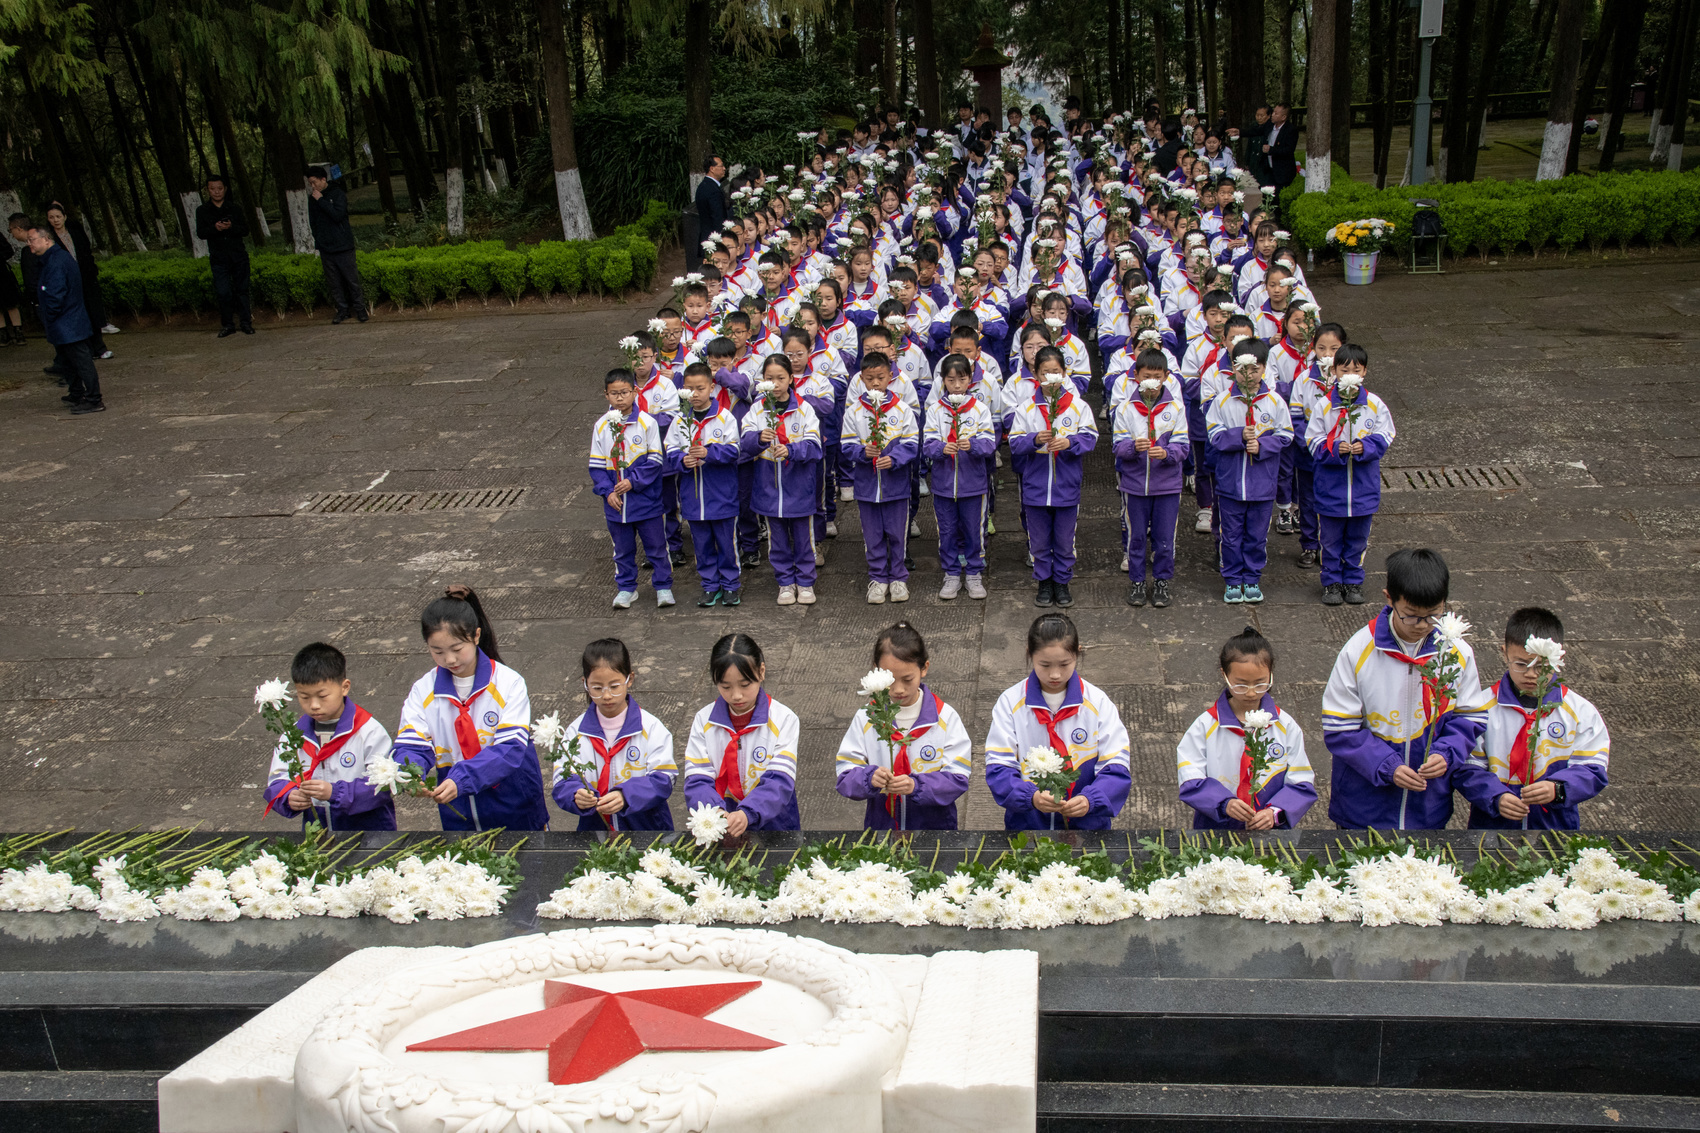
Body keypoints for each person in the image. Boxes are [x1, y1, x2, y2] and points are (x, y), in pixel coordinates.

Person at [1321, 549, 1490, 830]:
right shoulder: (1359, 651)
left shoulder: (1458, 653)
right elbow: (1340, 728)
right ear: (1389, 598)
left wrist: (1446, 753)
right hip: (1364, 806)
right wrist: (1387, 765)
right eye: (1411, 616)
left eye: (1433, 616)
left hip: (1428, 806)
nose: (1422, 626)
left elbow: (1469, 717)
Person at [393, 586, 549, 831]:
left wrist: (462, 779)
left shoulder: (508, 683)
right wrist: (411, 772)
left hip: (516, 809)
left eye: (457, 649)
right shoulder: (423, 691)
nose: (449, 659)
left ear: (476, 636)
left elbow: (510, 749)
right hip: (459, 815)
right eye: (437, 651)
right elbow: (412, 743)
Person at [1456, 608, 1611, 830]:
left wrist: (1558, 789)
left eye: (1541, 666)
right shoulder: (1480, 708)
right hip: (1492, 828)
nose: (1531, 674)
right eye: (1521, 664)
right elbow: (1466, 766)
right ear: (1504, 653)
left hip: (1555, 828)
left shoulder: (1580, 712)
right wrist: (1495, 796)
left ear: (1559, 658)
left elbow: (1593, 768)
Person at [985, 613, 1132, 831]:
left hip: (1088, 825)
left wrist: (1091, 799)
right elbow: (999, 766)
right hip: (1028, 825)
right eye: (1044, 665)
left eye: (1064, 664)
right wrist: (1031, 797)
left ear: (1077, 653)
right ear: (1029, 654)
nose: (1055, 674)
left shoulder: (1097, 703)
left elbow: (1116, 764)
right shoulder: (1010, 703)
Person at [835, 623, 973, 830]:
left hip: (934, 830)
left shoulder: (945, 717)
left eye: (908, 679)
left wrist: (917, 786)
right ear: (876, 670)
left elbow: (957, 777)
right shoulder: (867, 717)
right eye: (890, 680)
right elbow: (845, 774)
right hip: (882, 828)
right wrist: (868, 778)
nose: (898, 689)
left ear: (924, 668)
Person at [1176, 626, 1316, 830]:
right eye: (1241, 685)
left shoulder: (1285, 726)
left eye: (1260, 684)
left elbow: (1301, 781)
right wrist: (1224, 803)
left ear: (1270, 675)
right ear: (1224, 674)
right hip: (1216, 829)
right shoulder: (1205, 726)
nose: (1251, 693)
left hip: (1269, 831)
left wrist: (1275, 812)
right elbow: (1190, 777)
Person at [261, 641, 396, 831]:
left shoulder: (369, 732)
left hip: (369, 830)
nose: (314, 705)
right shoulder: (292, 735)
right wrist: (288, 796)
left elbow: (383, 786)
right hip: (317, 830)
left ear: (344, 687)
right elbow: (278, 778)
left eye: (322, 696)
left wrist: (335, 793)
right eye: (304, 697)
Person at [551, 638, 677, 831]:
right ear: (585, 684)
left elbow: (664, 778)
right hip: (594, 830)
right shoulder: (575, 732)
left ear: (630, 679)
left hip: (647, 829)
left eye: (614, 686)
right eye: (597, 688)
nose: (607, 695)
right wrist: (575, 794)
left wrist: (626, 796)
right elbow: (562, 778)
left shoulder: (651, 728)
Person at [683, 633, 801, 832]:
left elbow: (780, 780)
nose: (736, 695)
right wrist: (713, 812)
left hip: (774, 822)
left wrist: (748, 812)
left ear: (761, 672)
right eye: (725, 686)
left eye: (745, 685)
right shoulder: (704, 721)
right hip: (721, 822)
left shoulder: (784, 719)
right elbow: (697, 777)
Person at [1307, 344, 1396, 606]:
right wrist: (1335, 449)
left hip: (1363, 489)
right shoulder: (1324, 405)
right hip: (1330, 490)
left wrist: (1364, 447)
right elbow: (1312, 440)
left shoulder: (1374, 404)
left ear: (1364, 372)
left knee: (1358, 540)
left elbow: (1386, 434)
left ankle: (1353, 581)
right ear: (1334, 371)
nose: (1350, 375)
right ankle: (1331, 582)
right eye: (1344, 370)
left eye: (1356, 370)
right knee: (1330, 540)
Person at [1010, 345, 1098, 609]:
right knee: (1038, 541)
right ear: (1036, 374)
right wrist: (1034, 439)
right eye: (1045, 373)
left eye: (1056, 372)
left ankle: (1062, 581)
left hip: (1066, 486)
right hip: (1035, 487)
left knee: (1064, 540)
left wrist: (1070, 443)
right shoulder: (1026, 408)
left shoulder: (1078, 406)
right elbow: (1014, 442)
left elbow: (1091, 437)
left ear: (1064, 373)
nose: (1051, 379)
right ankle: (1043, 581)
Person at [1209, 339, 1290, 604]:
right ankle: (1232, 579)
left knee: (1256, 536)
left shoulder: (1275, 401)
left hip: (1263, 485)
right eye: (1244, 369)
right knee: (1231, 536)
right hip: (1230, 484)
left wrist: (1262, 446)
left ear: (1264, 369)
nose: (1250, 374)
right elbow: (1214, 435)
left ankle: (1252, 577)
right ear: (1234, 368)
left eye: (1256, 369)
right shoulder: (1223, 401)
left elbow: (1286, 435)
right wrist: (1239, 437)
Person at [740, 353, 823, 605]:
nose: (775, 384)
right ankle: (785, 582)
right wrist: (758, 438)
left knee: (804, 539)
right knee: (777, 540)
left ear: (791, 379)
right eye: (769, 379)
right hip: (769, 488)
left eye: (780, 378)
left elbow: (815, 447)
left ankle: (806, 582)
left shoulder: (804, 409)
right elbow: (744, 443)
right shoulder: (757, 409)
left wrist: (791, 450)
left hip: (799, 487)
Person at [1113, 349, 1190, 609]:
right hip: (1135, 486)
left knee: (1165, 538)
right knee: (1135, 537)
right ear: (1136, 376)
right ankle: (1136, 581)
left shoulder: (1176, 408)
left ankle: (1161, 581)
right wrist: (1134, 447)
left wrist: (1167, 453)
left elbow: (1183, 446)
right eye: (1146, 377)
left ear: (1166, 376)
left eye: (1157, 377)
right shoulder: (1125, 409)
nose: (1151, 383)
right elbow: (1118, 446)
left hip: (1167, 486)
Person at [841, 351, 920, 604]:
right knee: (872, 536)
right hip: (867, 487)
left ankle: (898, 577)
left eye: (881, 377)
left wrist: (894, 459)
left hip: (896, 486)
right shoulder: (854, 411)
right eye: (869, 378)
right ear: (861, 379)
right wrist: (863, 453)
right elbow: (846, 445)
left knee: (897, 533)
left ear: (890, 377)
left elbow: (912, 443)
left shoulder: (902, 409)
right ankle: (877, 578)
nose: (875, 383)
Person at [592, 368, 674, 610]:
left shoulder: (647, 423)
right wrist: (608, 491)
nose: (619, 398)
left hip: (646, 501)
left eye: (624, 392)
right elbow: (596, 466)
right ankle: (626, 588)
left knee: (656, 546)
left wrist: (633, 481)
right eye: (614, 393)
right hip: (616, 506)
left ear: (634, 392)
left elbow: (655, 461)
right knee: (622, 550)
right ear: (606, 395)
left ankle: (663, 586)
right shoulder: (601, 426)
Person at [922, 354, 995, 600]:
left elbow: (989, 443)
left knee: (975, 531)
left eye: (961, 379)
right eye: (951, 380)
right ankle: (951, 573)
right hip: (943, 485)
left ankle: (974, 573)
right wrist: (941, 449)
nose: (956, 385)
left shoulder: (980, 409)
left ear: (970, 379)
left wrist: (972, 446)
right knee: (947, 531)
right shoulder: (935, 410)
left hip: (973, 485)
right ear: (943, 380)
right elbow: (927, 444)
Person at [670, 362, 743, 607]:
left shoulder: (725, 417)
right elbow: (670, 451)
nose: (695, 394)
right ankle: (710, 585)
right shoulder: (680, 419)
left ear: (712, 387)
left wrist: (709, 453)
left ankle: (730, 585)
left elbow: (735, 450)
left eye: (700, 388)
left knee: (727, 544)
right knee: (701, 545)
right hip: (693, 497)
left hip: (722, 496)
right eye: (689, 389)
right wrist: (683, 460)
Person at [25, 219, 105, 414]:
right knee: (67, 361)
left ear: (46, 239)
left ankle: (94, 399)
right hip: (65, 321)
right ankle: (77, 393)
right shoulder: (53, 258)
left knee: (81, 361)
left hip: (67, 321)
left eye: (32, 239)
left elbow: (55, 294)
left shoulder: (56, 261)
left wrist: (48, 315)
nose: (29, 244)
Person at [44, 203, 111, 357]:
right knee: (77, 314)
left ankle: (100, 347)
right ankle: (84, 350)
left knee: (93, 312)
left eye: (58, 216)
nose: (55, 220)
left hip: (86, 279)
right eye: (52, 217)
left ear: (64, 217)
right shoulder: (49, 239)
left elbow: (87, 253)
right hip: (67, 282)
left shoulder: (76, 234)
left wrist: (92, 271)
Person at [305, 166, 366, 324]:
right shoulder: (312, 199)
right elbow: (313, 223)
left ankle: (360, 309)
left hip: (343, 245)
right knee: (334, 283)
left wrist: (321, 200)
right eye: (310, 183)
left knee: (351, 280)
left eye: (314, 182)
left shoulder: (337, 193)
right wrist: (319, 239)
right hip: (326, 248)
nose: (312, 186)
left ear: (323, 179)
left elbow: (338, 215)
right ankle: (342, 310)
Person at [195, 175, 254, 337]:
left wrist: (231, 227)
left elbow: (245, 230)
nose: (217, 192)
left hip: (238, 256)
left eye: (220, 188)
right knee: (223, 292)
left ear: (225, 189)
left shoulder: (234, 208)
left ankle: (246, 323)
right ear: (207, 190)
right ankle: (228, 325)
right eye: (213, 189)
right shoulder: (202, 211)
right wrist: (215, 228)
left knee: (242, 291)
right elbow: (201, 233)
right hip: (219, 258)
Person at [691, 155, 729, 272]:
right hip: (713, 238)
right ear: (712, 169)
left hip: (707, 234)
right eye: (721, 166)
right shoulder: (712, 190)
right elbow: (717, 217)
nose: (724, 168)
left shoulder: (705, 186)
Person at [1263, 105, 1299, 201]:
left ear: (1283, 117)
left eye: (1276, 113)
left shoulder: (1291, 130)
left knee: (1278, 198)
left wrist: (1271, 150)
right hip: (1269, 169)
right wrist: (1240, 132)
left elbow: (1288, 150)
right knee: (1266, 197)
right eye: (1273, 112)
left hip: (1282, 172)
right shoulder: (1270, 125)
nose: (1272, 115)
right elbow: (1256, 131)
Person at [0, 231, 26, 346]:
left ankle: (18, 331)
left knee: (11, 303)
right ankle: (3, 333)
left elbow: (8, 251)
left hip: (2, 275)